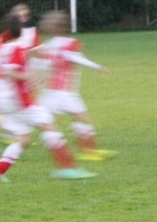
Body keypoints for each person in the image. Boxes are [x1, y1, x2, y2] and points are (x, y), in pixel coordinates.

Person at [0, 13, 95, 183]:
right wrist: (28, 77)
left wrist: (31, 79)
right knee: (50, 128)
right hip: (22, 102)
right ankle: (67, 168)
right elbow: (9, 72)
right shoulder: (18, 48)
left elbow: (10, 70)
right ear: (20, 30)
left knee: (24, 139)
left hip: (9, 100)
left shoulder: (3, 48)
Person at [35, 10, 116, 161]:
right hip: (65, 92)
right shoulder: (70, 43)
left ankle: (88, 150)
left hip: (52, 91)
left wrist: (38, 81)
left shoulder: (47, 46)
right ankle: (88, 151)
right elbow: (76, 59)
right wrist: (98, 67)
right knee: (81, 118)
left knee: (45, 120)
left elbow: (44, 66)